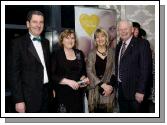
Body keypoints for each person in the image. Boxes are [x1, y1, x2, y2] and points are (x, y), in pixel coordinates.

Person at [7, 10, 51, 113]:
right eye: (35, 22)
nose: (38, 25)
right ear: (28, 24)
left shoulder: (46, 42)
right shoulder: (17, 43)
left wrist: (51, 88)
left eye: (41, 22)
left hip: (46, 94)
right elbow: (13, 74)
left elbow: (46, 68)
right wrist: (19, 100)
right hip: (28, 98)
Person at [115, 20, 152, 113]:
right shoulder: (119, 46)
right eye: (120, 29)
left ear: (132, 29)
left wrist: (140, 91)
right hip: (121, 90)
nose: (123, 31)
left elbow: (145, 69)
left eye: (125, 29)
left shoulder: (142, 44)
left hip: (135, 93)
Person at [51, 29, 90, 113]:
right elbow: (52, 75)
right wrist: (68, 82)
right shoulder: (56, 54)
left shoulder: (79, 53)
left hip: (77, 95)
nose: (70, 40)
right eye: (67, 38)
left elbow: (83, 72)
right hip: (62, 95)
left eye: (72, 38)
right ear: (62, 40)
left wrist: (83, 79)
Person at [86, 27, 116, 113]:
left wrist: (110, 86)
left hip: (109, 90)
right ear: (95, 39)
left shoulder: (112, 52)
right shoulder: (91, 53)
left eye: (102, 36)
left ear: (106, 37)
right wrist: (102, 85)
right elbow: (89, 71)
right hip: (94, 90)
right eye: (97, 37)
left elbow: (115, 70)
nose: (100, 39)